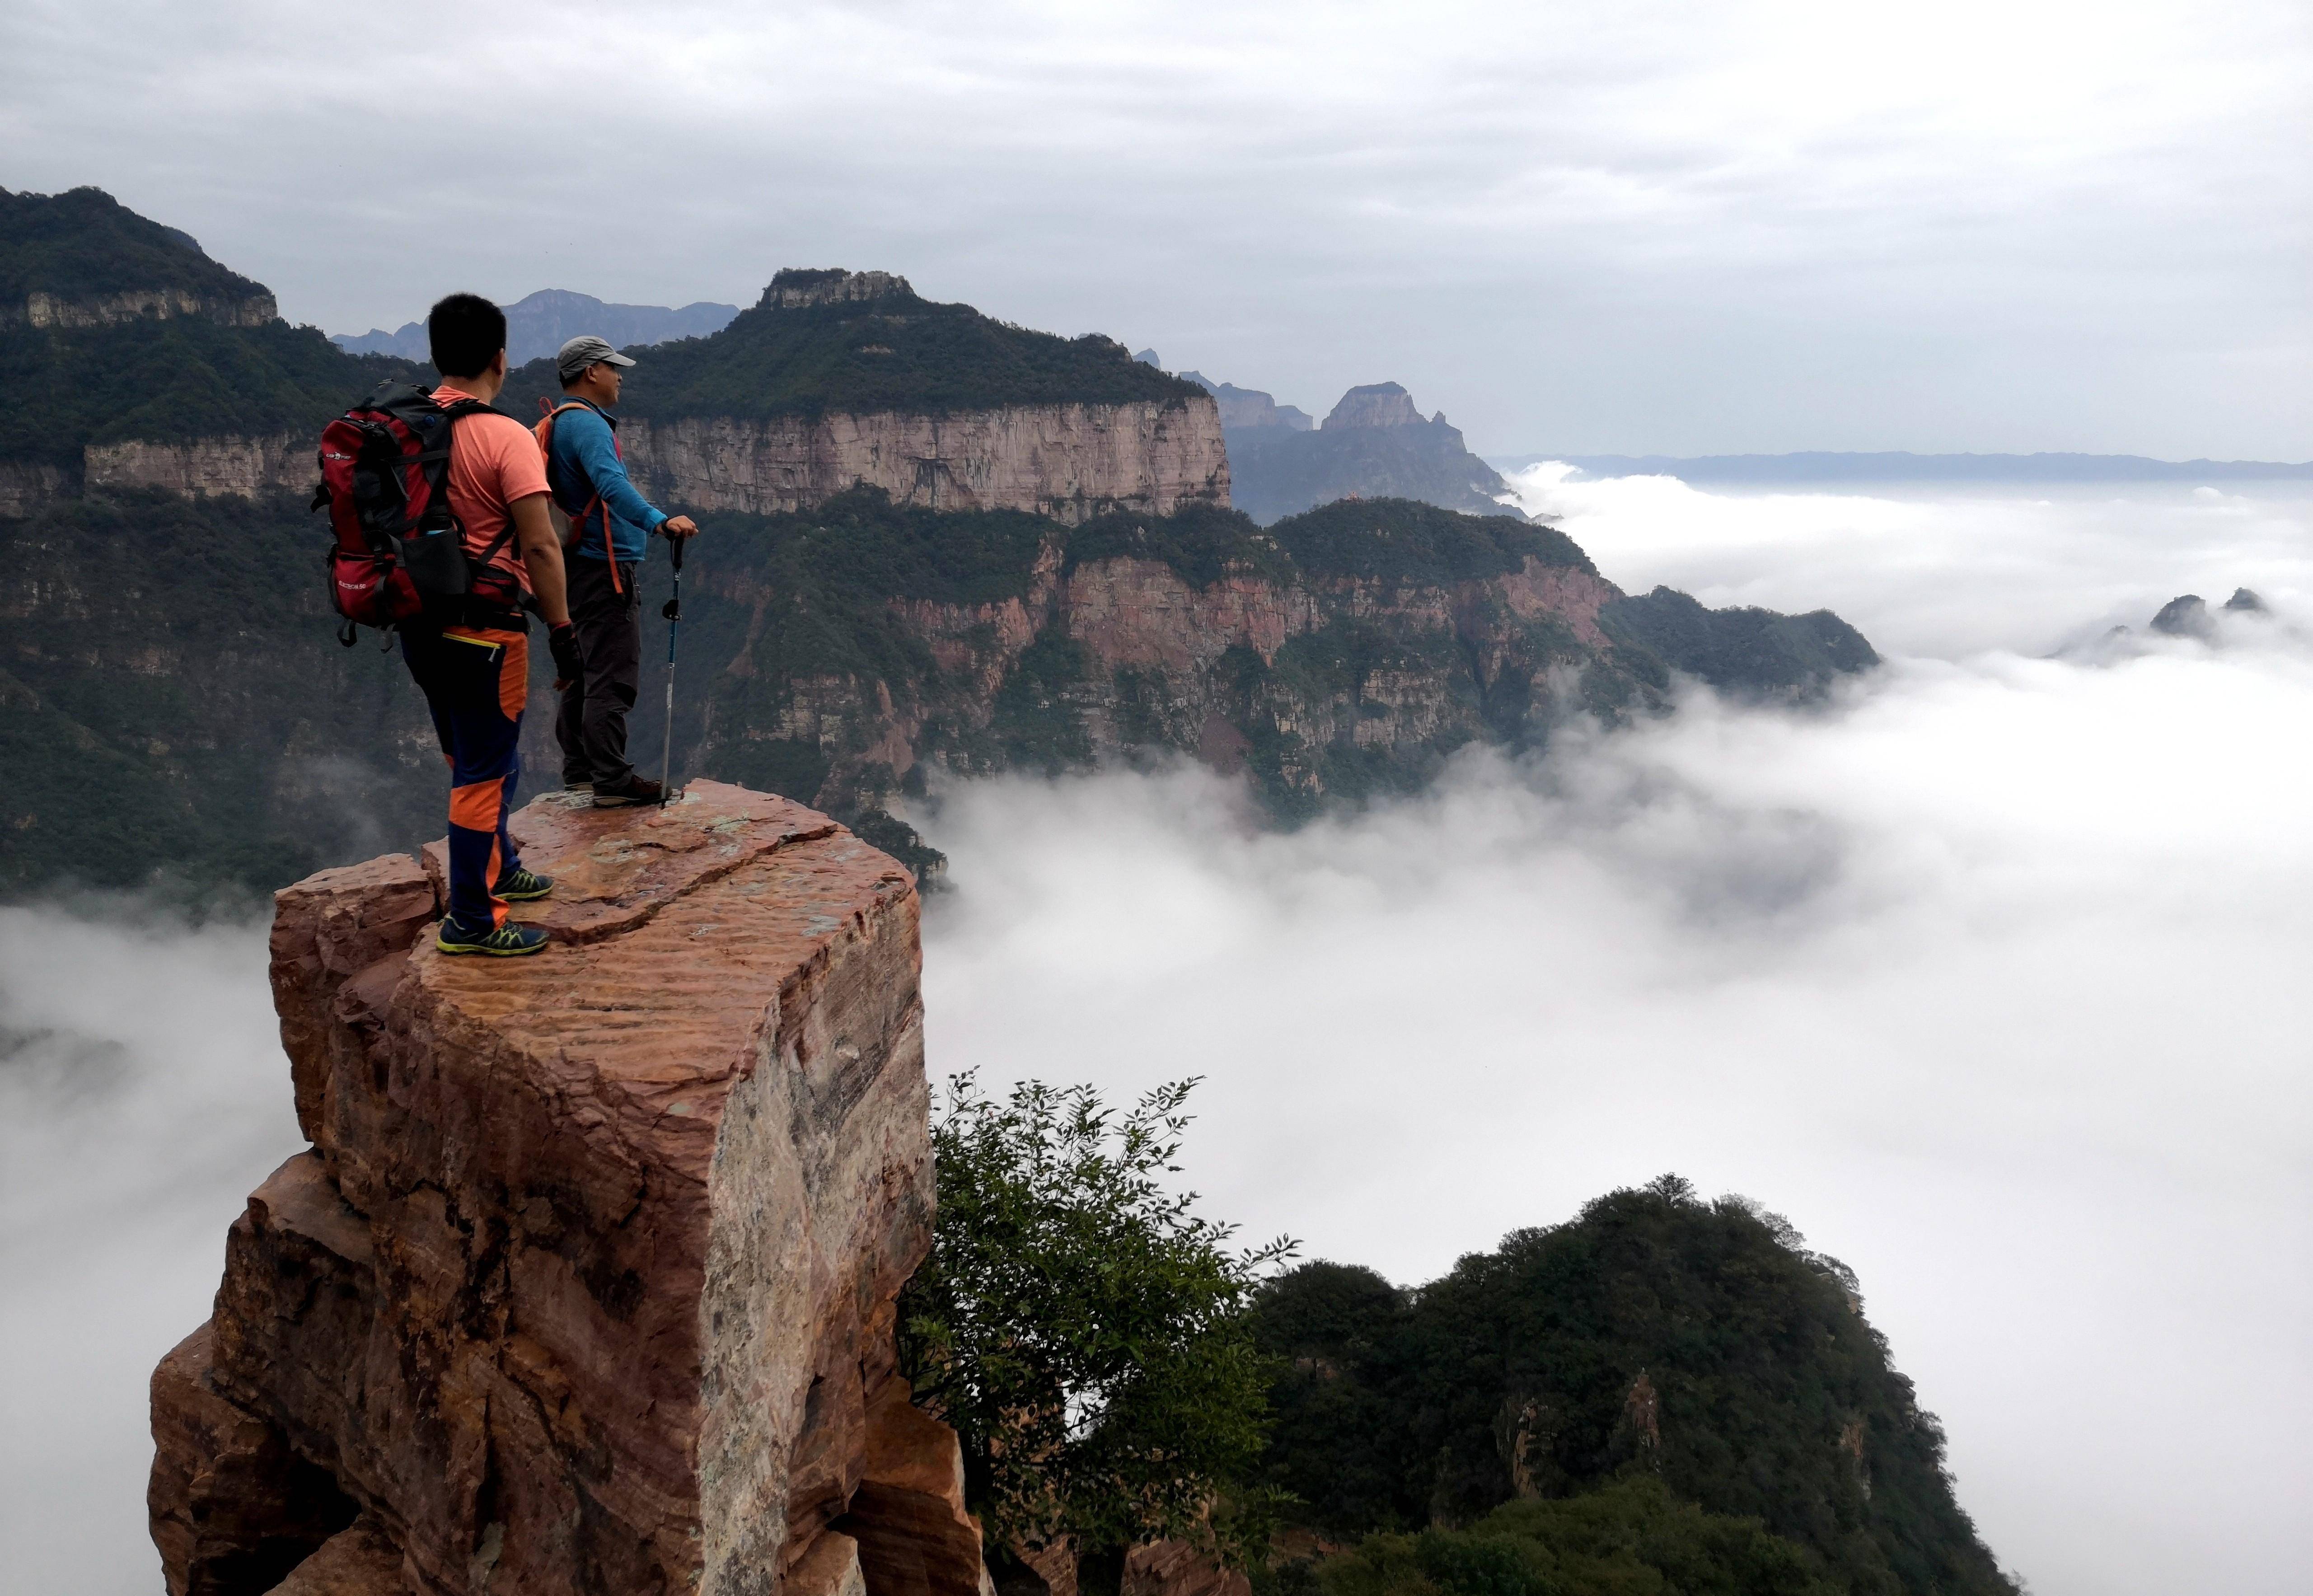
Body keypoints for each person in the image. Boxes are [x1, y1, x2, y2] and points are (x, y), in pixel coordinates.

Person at [406, 293, 585, 957]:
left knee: (471, 757)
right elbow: (541, 546)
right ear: (501, 360)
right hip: (485, 629)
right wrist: (563, 630)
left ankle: (501, 863)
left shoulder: (410, 429)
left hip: (419, 624)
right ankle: (474, 921)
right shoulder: (504, 435)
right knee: (484, 770)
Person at [539, 334, 699, 805]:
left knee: (587, 672)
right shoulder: (587, 426)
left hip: (575, 567)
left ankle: (581, 772)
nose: (620, 376)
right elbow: (611, 485)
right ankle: (611, 780)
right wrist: (659, 521)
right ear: (591, 372)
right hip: (602, 568)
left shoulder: (559, 422)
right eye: (613, 368)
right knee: (612, 674)